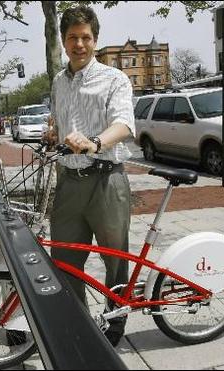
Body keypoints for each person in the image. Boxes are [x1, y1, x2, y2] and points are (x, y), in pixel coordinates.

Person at [45, 5, 135, 347]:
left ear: (95, 40)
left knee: (115, 258)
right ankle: (79, 323)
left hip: (106, 181)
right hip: (68, 183)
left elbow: (124, 124)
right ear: (64, 42)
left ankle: (115, 320)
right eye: (72, 38)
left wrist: (94, 142)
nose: (79, 44)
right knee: (65, 260)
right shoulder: (58, 81)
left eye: (86, 37)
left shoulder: (115, 79)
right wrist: (53, 133)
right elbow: (59, 118)